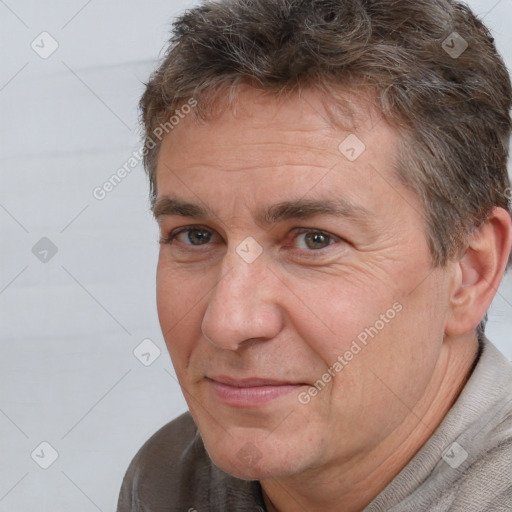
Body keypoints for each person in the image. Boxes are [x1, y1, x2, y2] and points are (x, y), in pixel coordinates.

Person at [117, 0, 512, 510]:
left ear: (470, 272)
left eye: (315, 240)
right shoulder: (168, 480)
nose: (227, 322)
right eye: (195, 235)